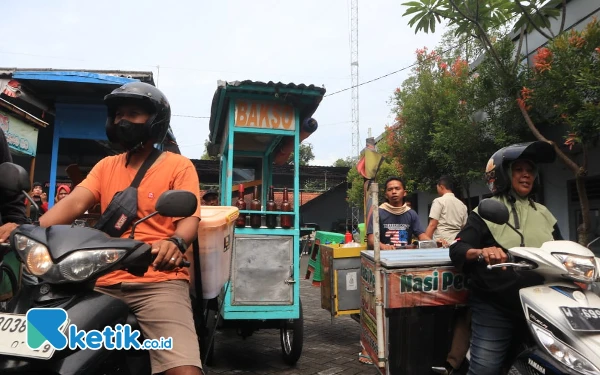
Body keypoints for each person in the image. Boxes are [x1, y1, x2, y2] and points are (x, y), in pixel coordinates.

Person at [37, 82, 204, 375]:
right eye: (118, 115)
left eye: (134, 113)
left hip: (158, 281)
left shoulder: (178, 166)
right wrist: (27, 231)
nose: (123, 121)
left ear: (154, 121)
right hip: (100, 279)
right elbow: (74, 204)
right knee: (46, 351)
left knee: (184, 371)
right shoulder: (106, 166)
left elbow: (189, 217)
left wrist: (175, 242)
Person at [449, 141, 561, 375]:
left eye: (530, 170)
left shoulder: (544, 214)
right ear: (502, 174)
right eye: (519, 169)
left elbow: (561, 250)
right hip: (496, 304)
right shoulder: (487, 210)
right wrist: (481, 252)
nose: (526, 175)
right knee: (485, 369)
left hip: (540, 305)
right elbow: (458, 249)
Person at [367, 177, 430, 250]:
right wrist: (384, 247)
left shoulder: (411, 213)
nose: (393, 192)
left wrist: (434, 243)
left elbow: (421, 236)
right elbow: (371, 240)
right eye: (390, 189)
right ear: (386, 195)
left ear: (404, 193)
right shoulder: (377, 213)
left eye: (397, 188)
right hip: (384, 258)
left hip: (405, 257)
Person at [425, 176, 468, 247]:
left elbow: (432, 225)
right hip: (457, 243)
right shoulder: (462, 205)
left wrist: (425, 243)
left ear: (441, 187)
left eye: (437, 187)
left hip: (442, 242)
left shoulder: (439, 201)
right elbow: (464, 228)